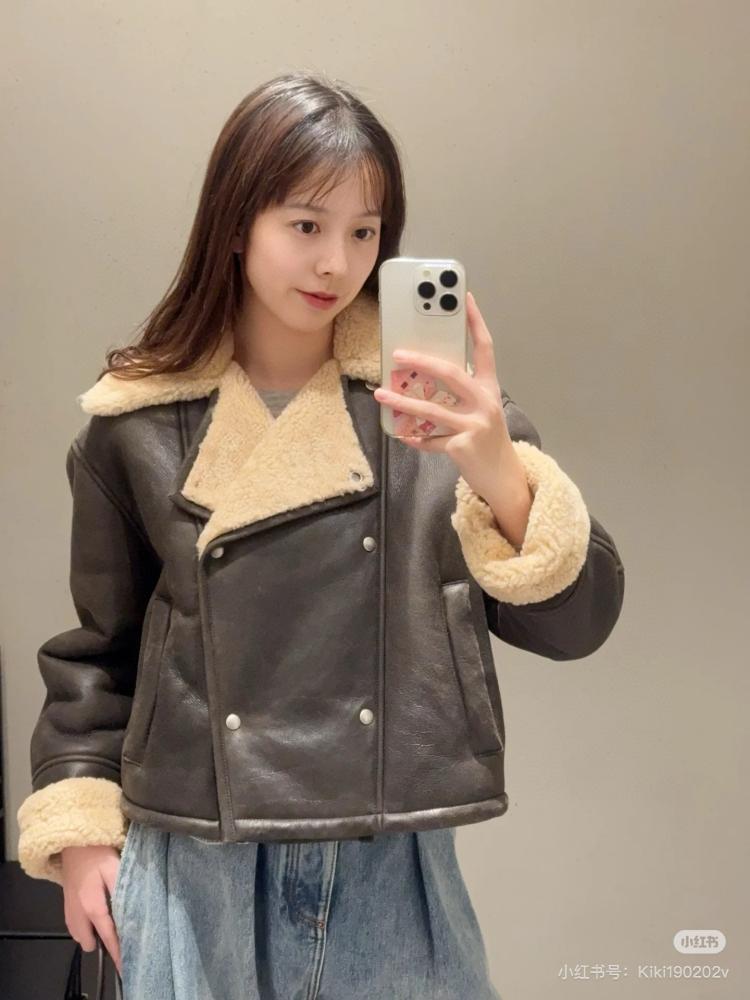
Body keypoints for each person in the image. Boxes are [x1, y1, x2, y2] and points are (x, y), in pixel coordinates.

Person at [16, 70, 625, 999]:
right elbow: (101, 653)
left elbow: (578, 627)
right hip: (196, 856)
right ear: (236, 225)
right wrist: (83, 838)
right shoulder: (136, 426)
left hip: (391, 853)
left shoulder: (441, 415)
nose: (337, 263)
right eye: (306, 225)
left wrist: (501, 471)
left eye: (364, 232)